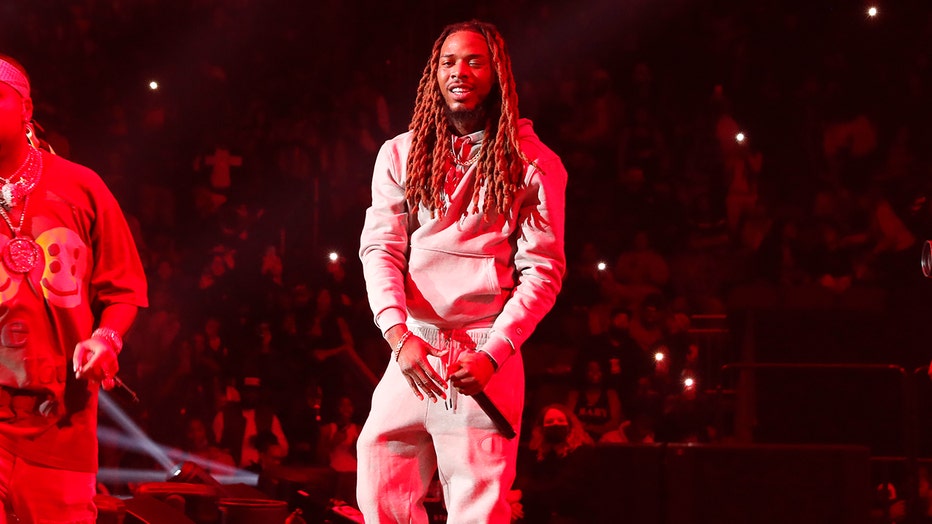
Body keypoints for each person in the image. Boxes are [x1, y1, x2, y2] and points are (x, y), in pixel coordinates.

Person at [356, 20, 567, 523]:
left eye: (474, 61)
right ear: (435, 73)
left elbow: (543, 271)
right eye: (449, 62)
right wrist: (398, 335)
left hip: (482, 354)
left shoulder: (534, 163)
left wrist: (494, 353)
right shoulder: (400, 153)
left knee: (479, 509)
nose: (460, 71)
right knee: (379, 482)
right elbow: (380, 248)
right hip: (414, 348)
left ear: (497, 73)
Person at [0, 54, 148, 523]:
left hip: (60, 428)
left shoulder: (81, 187)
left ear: (26, 108)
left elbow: (123, 289)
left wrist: (105, 338)